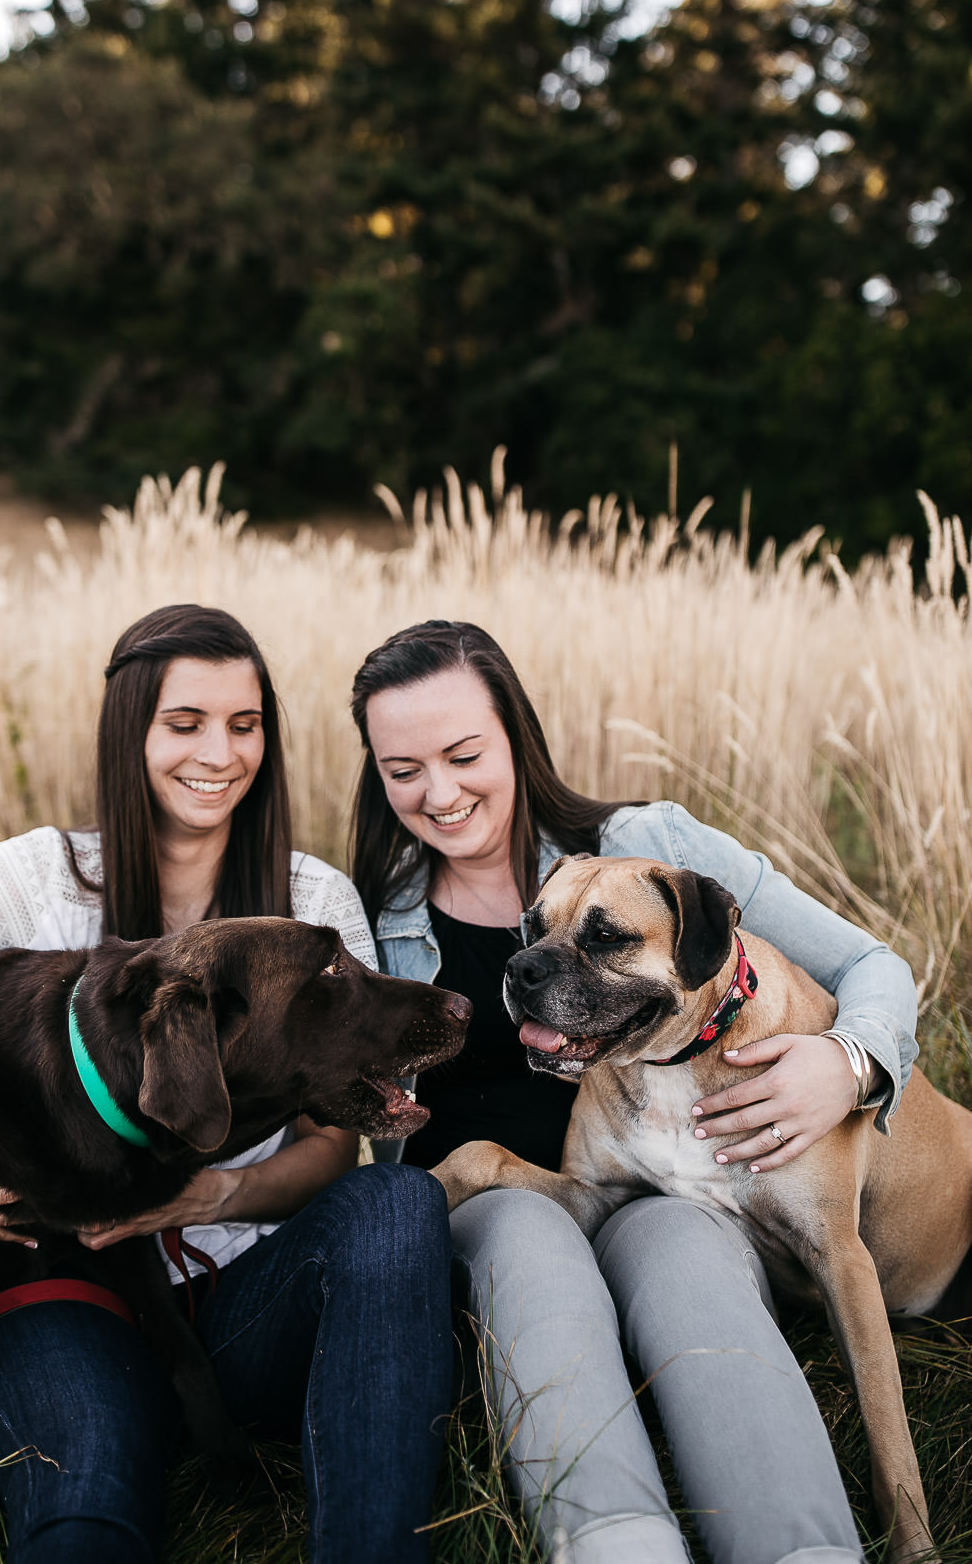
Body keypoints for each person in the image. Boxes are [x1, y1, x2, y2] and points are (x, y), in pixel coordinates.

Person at [0, 604, 454, 1564]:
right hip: (57, 1288)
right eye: (185, 723)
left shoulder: (311, 905)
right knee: (88, 1487)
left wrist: (211, 1191)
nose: (220, 752)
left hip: (240, 1293)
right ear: (130, 732)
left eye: (246, 723)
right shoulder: (32, 879)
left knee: (396, 1199)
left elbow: (328, 1147)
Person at [350, 618, 919, 1564]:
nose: (439, 793)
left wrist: (848, 1061)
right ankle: (615, 1544)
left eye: (464, 754)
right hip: (518, 1194)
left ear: (516, 738)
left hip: (660, 1186)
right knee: (533, 1253)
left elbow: (870, 963)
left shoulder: (644, 849)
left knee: (687, 1260)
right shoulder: (373, 912)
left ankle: (808, 1549)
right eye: (403, 769)